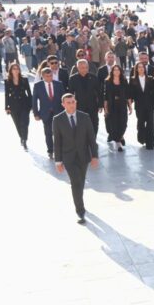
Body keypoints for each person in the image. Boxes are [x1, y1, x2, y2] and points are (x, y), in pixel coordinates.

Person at [53, 93, 99, 224]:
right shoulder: (57, 119)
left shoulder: (84, 117)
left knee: (81, 181)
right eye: (68, 102)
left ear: (76, 102)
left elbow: (91, 138)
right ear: (63, 104)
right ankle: (80, 210)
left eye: (73, 102)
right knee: (76, 182)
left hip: (84, 156)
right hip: (68, 157)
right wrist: (58, 161)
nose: (71, 104)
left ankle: (79, 199)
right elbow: (57, 142)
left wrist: (94, 156)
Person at [32, 67, 66, 159]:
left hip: (58, 112)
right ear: (42, 76)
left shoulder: (59, 84)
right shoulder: (38, 86)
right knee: (48, 133)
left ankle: (59, 150)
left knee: (58, 132)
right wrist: (36, 114)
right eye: (47, 76)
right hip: (45, 113)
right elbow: (34, 101)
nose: (49, 78)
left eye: (51, 75)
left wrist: (66, 111)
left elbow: (64, 98)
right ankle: (50, 150)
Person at [68, 59, 103, 136]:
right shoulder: (73, 78)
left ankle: (93, 141)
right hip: (79, 107)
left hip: (93, 106)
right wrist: (70, 106)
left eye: (85, 67)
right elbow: (70, 93)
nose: (84, 69)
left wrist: (100, 105)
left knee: (94, 124)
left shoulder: (93, 78)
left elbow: (99, 92)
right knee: (80, 126)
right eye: (81, 67)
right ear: (77, 68)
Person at [4, 62, 32, 150]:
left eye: (17, 69)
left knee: (25, 123)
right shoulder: (7, 81)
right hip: (13, 105)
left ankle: (24, 139)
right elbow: (6, 94)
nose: (16, 71)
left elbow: (29, 93)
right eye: (14, 69)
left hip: (24, 103)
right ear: (11, 71)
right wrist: (6, 107)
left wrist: (31, 105)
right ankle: (22, 137)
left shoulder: (24, 79)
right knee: (18, 124)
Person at [103, 64, 131, 151]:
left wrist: (130, 106)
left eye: (118, 70)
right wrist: (106, 109)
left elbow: (128, 94)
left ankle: (121, 136)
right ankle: (118, 143)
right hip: (112, 106)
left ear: (120, 71)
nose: (116, 71)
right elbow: (106, 96)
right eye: (114, 70)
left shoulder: (124, 81)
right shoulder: (107, 82)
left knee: (123, 123)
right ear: (112, 71)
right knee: (114, 124)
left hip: (122, 105)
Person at [130, 61, 154, 150]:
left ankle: (150, 143)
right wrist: (129, 105)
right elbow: (131, 94)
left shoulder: (150, 78)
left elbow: (153, 92)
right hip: (139, 106)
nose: (141, 68)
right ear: (136, 69)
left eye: (142, 67)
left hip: (150, 105)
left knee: (150, 124)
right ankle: (142, 138)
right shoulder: (133, 79)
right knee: (140, 123)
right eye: (139, 67)